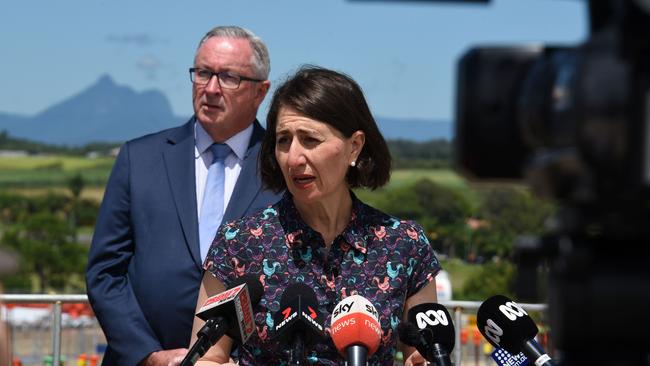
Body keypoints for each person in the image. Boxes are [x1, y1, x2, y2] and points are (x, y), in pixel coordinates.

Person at [188, 66, 441, 366]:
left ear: (354, 147)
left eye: (310, 139)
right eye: (283, 140)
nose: (294, 157)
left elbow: (421, 353)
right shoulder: (239, 243)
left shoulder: (405, 245)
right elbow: (207, 358)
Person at [86, 26, 282, 366]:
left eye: (229, 77)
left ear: (260, 91)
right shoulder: (140, 158)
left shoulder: (282, 167)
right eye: (203, 73)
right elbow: (105, 272)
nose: (211, 88)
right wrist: (148, 354)